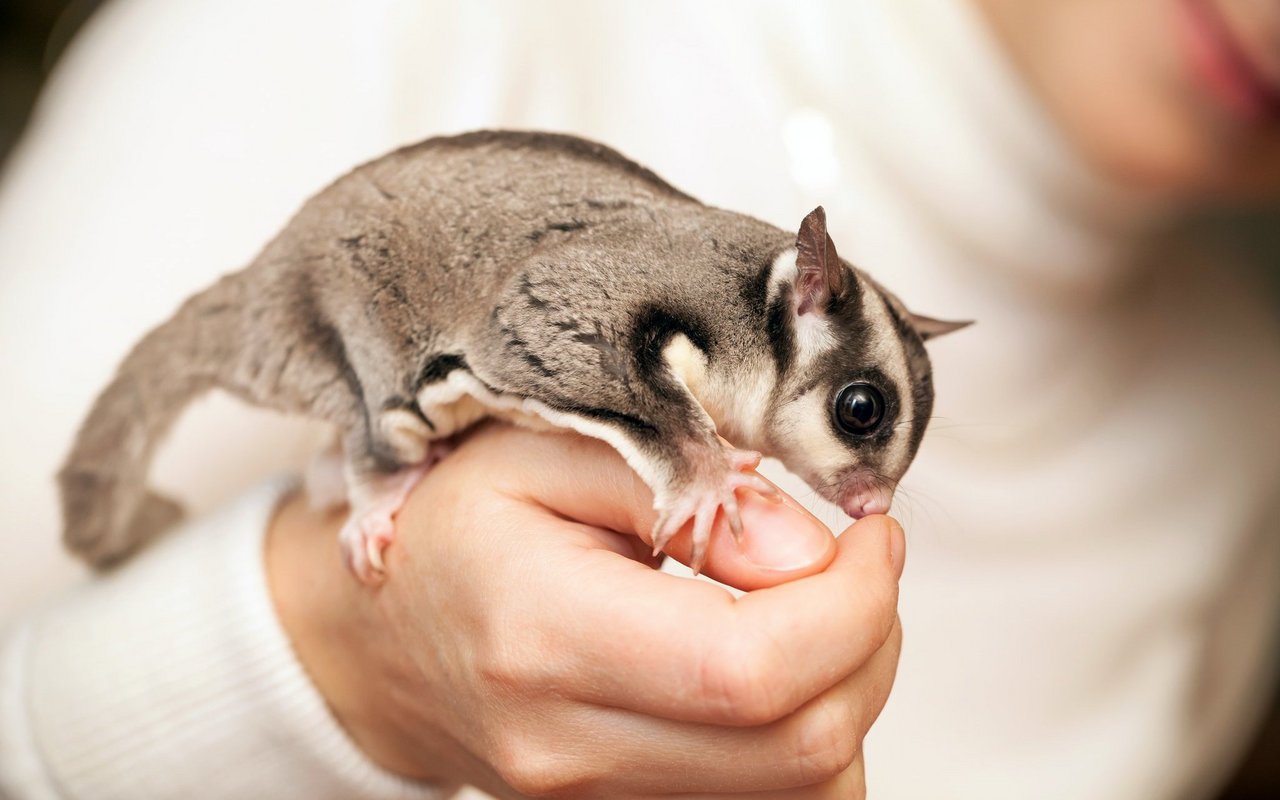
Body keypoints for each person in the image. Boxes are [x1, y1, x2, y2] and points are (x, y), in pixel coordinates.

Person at [1, 0, 1277, 798]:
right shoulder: (389, 28)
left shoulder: (1239, 429)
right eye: (857, 430)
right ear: (802, 300)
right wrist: (335, 654)